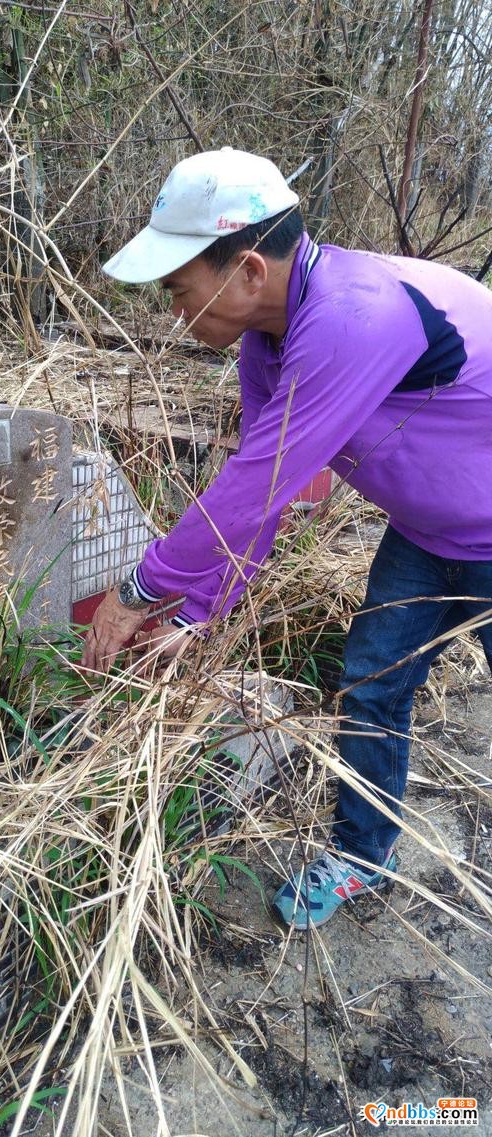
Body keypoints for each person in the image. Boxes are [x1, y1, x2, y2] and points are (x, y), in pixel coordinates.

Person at [81, 146, 492, 930]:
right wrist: (200, 611)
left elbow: (254, 485)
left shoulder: (352, 315)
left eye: (178, 291)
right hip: (428, 529)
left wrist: (140, 591)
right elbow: (262, 488)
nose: (173, 311)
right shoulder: (269, 342)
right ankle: (363, 856)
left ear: (247, 271)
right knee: (373, 682)